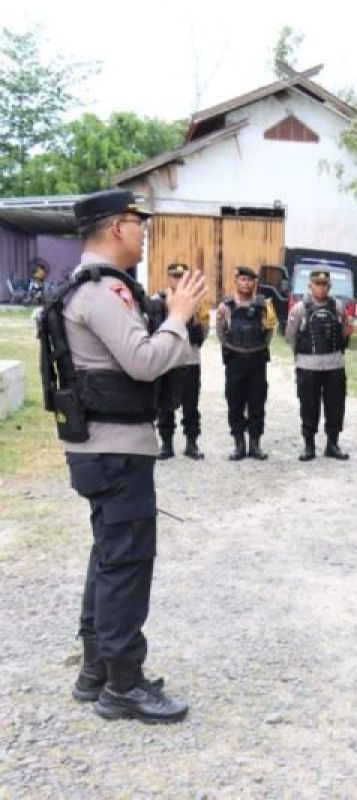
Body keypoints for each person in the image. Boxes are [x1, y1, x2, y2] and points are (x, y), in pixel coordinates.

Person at [41, 189, 203, 722]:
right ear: (116, 227)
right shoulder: (103, 290)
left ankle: (96, 671)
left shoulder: (83, 287)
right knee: (127, 565)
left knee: (109, 558)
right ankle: (123, 685)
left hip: (100, 449)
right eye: (138, 224)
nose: (144, 233)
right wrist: (178, 316)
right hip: (115, 450)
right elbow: (142, 360)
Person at [286, 269, 353, 461]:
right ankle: (309, 446)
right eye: (317, 284)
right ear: (310, 286)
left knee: (335, 405)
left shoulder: (338, 307)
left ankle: (332, 444)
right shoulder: (299, 309)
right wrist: (300, 359)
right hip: (308, 366)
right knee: (308, 405)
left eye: (324, 284)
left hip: (334, 365)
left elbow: (344, 332)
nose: (321, 288)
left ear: (329, 286)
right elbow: (291, 336)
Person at [215, 266, 276, 461]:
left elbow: (270, 330)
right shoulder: (226, 307)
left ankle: (255, 444)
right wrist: (230, 348)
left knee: (257, 402)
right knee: (235, 403)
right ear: (236, 282)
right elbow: (220, 331)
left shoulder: (264, 305)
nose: (246, 284)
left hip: (257, 360)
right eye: (243, 280)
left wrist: (260, 346)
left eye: (250, 280)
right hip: (235, 361)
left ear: (254, 283)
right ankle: (239, 444)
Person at [154, 263, 209, 461]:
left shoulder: (198, 302)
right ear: (168, 278)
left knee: (191, 404)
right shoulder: (158, 301)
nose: (178, 281)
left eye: (182, 277)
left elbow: (204, 330)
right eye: (174, 277)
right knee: (165, 404)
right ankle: (166, 444)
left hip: (190, 359)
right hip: (166, 360)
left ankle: (191, 443)